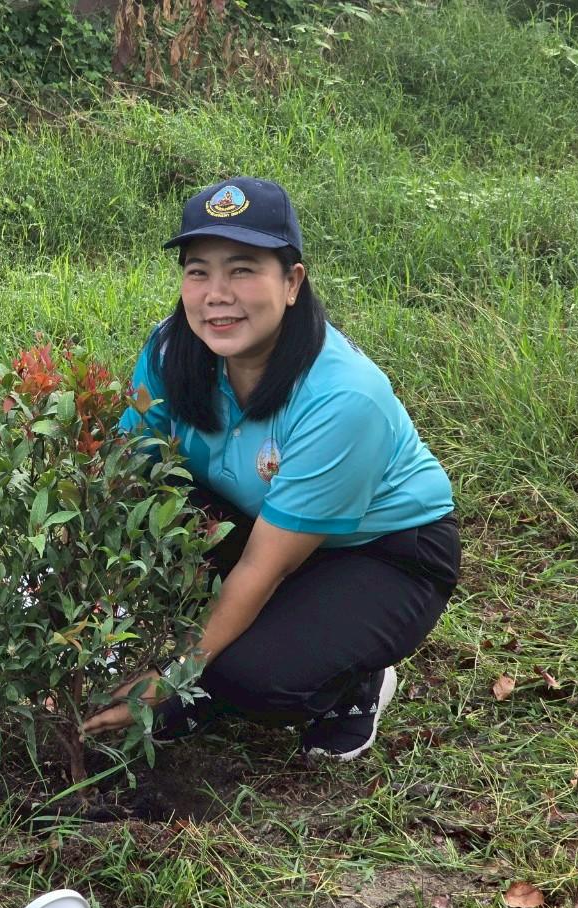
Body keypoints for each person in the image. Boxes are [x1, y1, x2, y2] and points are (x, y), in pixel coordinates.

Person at [83, 177, 459, 760]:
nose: (215, 294)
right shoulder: (169, 353)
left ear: (292, 282)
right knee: (149, 519)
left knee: (248, 678)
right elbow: (122, 483)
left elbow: (263, 565)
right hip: (252, 517)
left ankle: (356, 681)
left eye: (242, 269)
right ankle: (226, 662)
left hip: (380, 552)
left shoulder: (342, 398)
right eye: (198, 270)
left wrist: (172, 678)